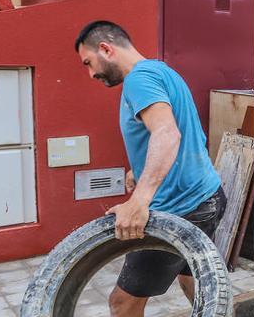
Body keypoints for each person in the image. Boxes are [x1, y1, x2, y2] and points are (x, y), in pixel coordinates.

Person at [74, 20, 226, 317]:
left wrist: (139, 201)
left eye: (89, 63)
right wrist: (139, 171)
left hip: (180, 208)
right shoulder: (160, 70)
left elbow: (168, 133)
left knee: (122, 302)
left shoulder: (138, 80)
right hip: (207, 196)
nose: (91, 73)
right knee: (194, 279)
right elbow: (174, 130)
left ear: (106, 48)